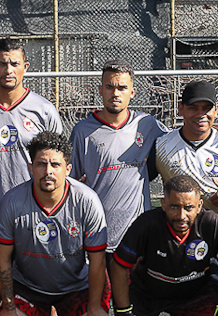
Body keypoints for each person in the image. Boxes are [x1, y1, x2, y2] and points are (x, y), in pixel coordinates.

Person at [153, 81, 218, 316]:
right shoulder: (162, 145)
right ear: (180, 109)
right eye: (193, 108)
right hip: (181, 246)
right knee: (184, 315)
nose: (200, 114)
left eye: (206, 108)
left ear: (216, 110)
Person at [0, 130, 111, 316]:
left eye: (55, 165)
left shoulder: (87, 201)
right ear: (31, 168)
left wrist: (94, 308)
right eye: (41, 164)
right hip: (29, 288)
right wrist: (9, 307)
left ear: (68, 169)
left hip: (76, 287)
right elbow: (2, 260)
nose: (48, 171)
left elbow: (97, 261)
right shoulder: (11, 202)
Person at [110, 175, 218, 316]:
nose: (181, 216)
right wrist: (125, 314)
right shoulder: (146, 223)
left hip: (195, 297)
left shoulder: (212, 223)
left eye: (189, 208)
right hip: (147, 295)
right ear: (163, 204)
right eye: (174, 207)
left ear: (199, 206)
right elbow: (118, 265)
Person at [70, 63, 168, 251]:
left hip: (138, 234)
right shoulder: (82, 131)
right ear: (100, 90)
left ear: (132, 92)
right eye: (109, 87)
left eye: (122, 87)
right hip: (97, 231)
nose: (115, 93)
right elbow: (71, 182)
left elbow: (182, 138)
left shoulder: (147, 124)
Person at [0, 38, 63, 204]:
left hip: (34, 207)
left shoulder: (45, 110)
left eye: (15, 64)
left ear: (25, 67)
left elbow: (57, 164)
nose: (8, 70)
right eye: (1, 64)